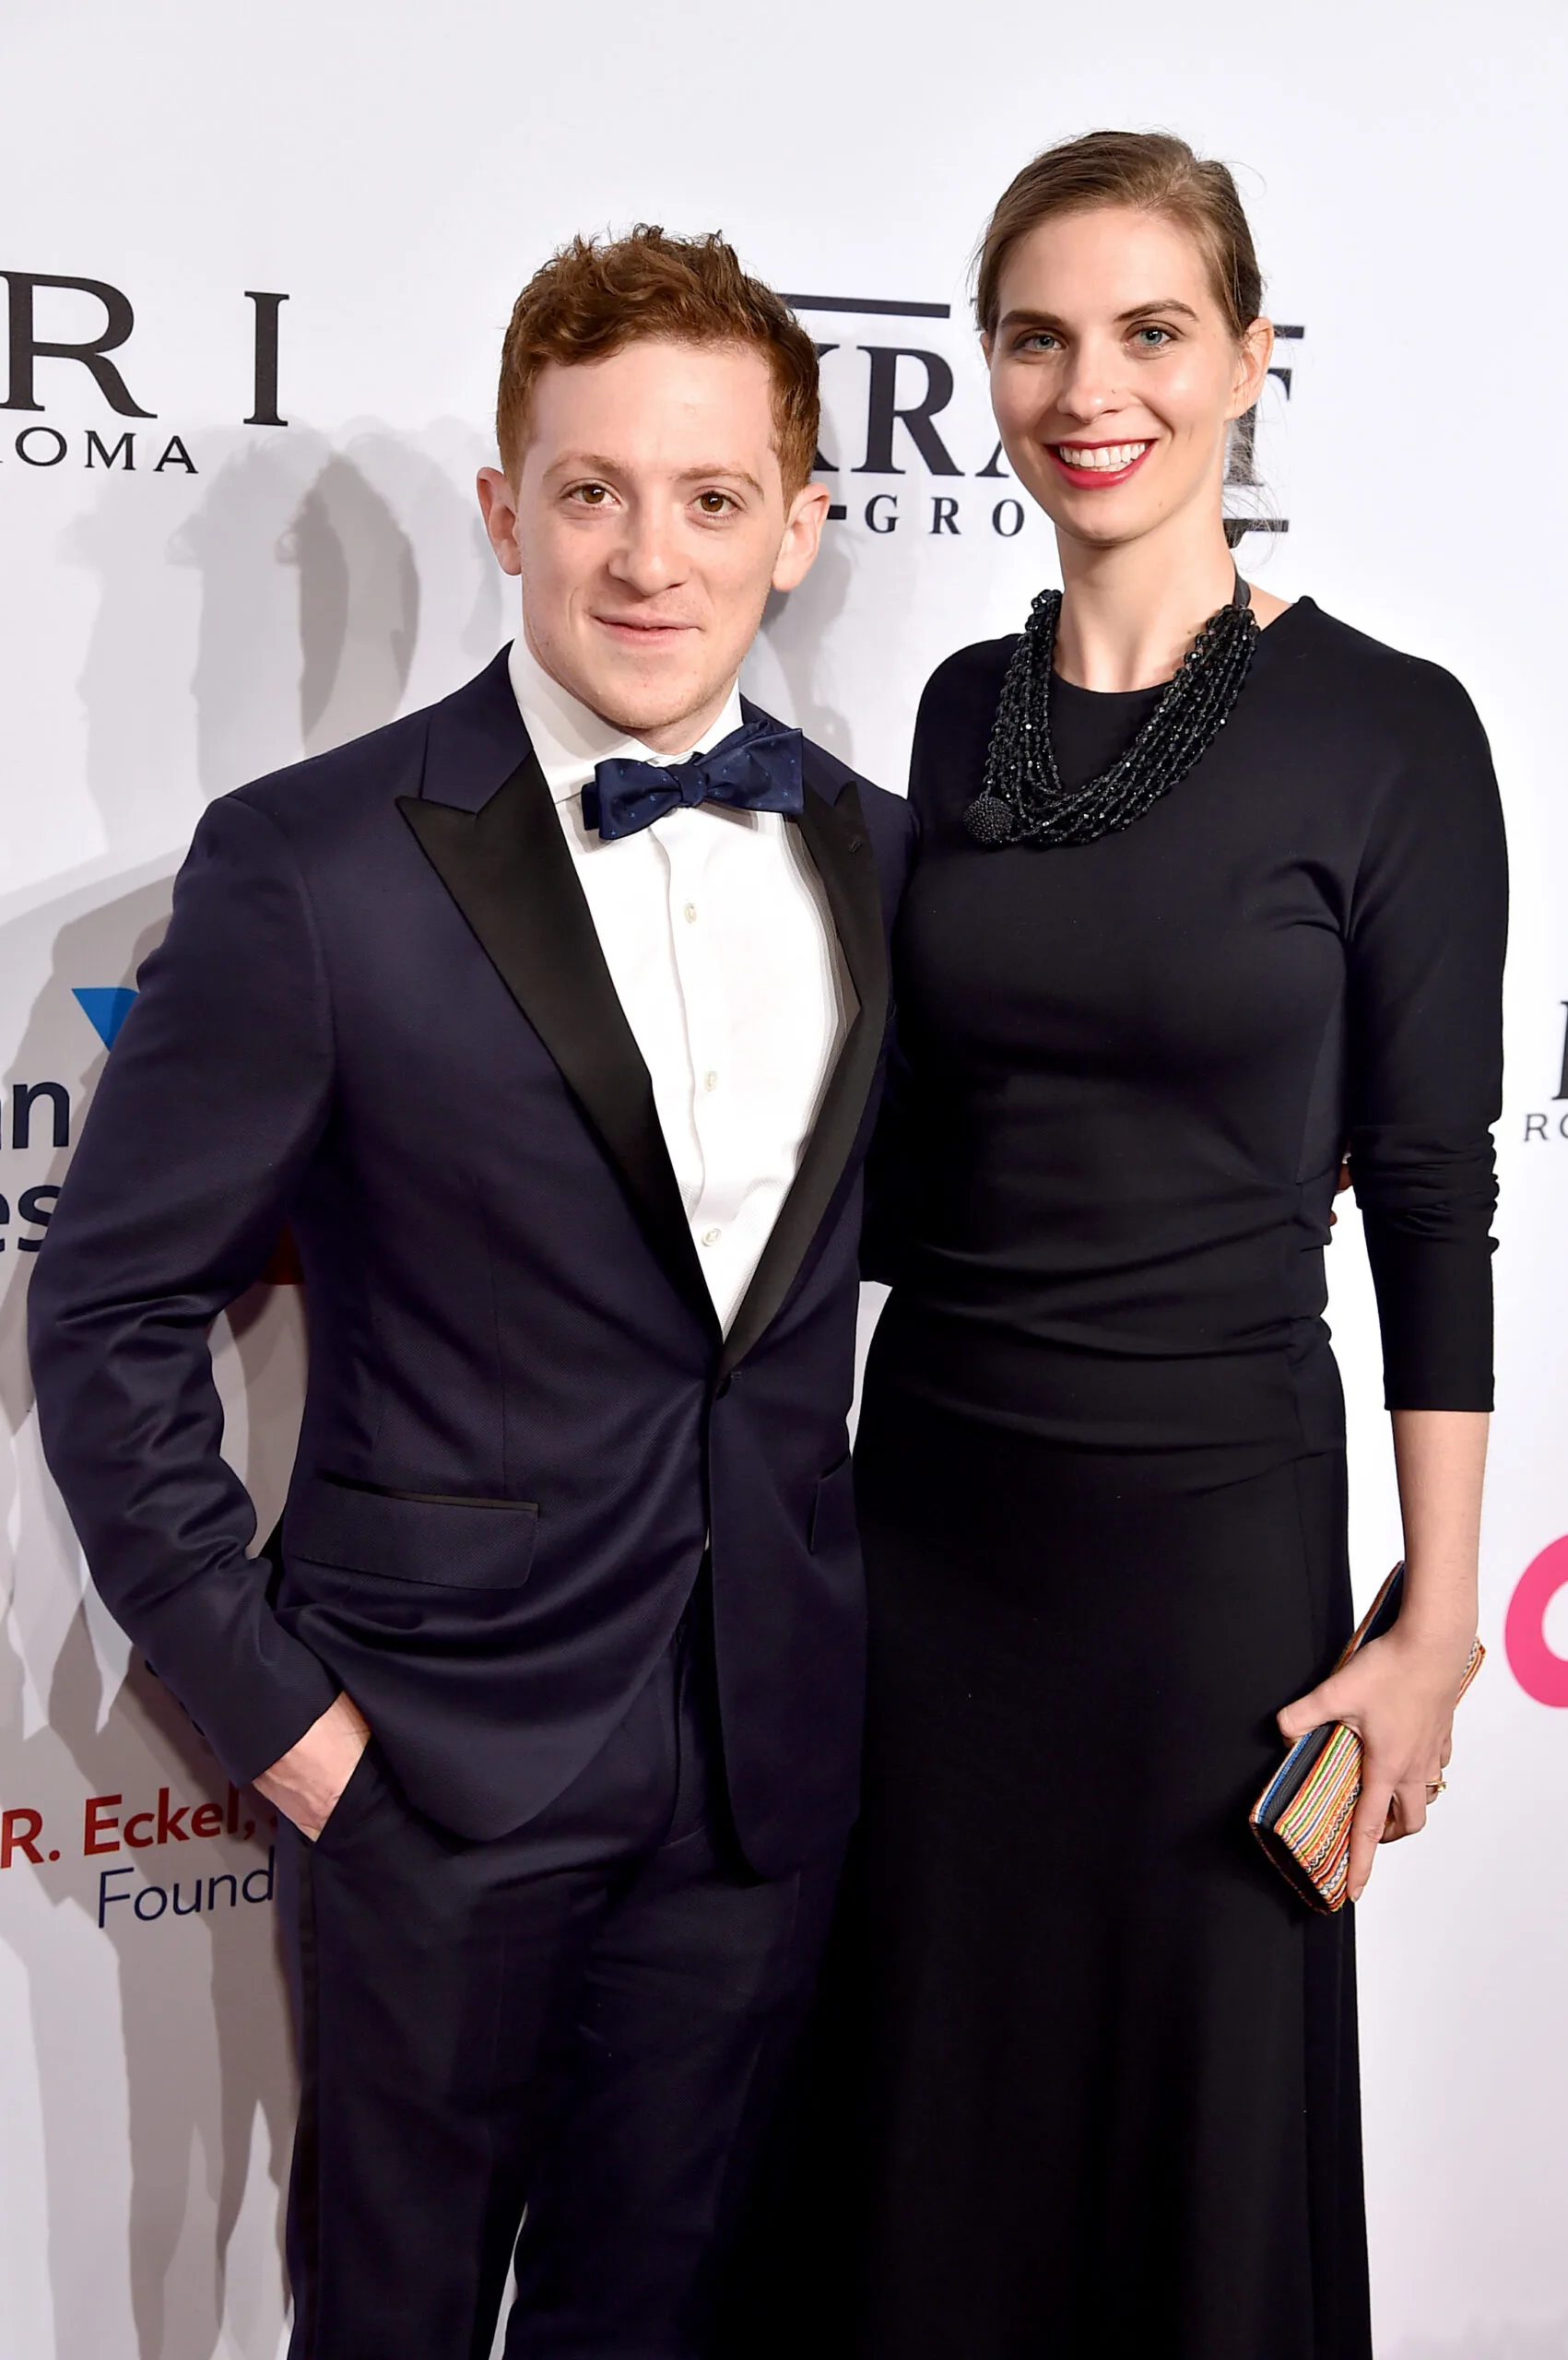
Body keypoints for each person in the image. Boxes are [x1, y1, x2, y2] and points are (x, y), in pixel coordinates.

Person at [27, 227, 913, 2360]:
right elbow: (110, 1309)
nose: (647, 556)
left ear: (798, 523)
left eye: (712, 498)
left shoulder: (891, 859)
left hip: (757, 1767)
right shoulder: (316, 861)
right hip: (426, 1764)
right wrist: (284, 1722)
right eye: (591, 491)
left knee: (665, 2312)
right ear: (509, 510)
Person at [819, 133, 1506, 2359]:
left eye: (1147, 332)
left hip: (1208, 1546)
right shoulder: (953, 708)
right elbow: (920, 1149)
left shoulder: (1393, 732)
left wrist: (1431, 1621)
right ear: (986, 372)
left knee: (1192, 2126)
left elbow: (1426, 1186)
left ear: (1245, 361)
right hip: (927, 1527)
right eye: (1035, 334)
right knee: (928, 2104)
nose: (1086, 386)